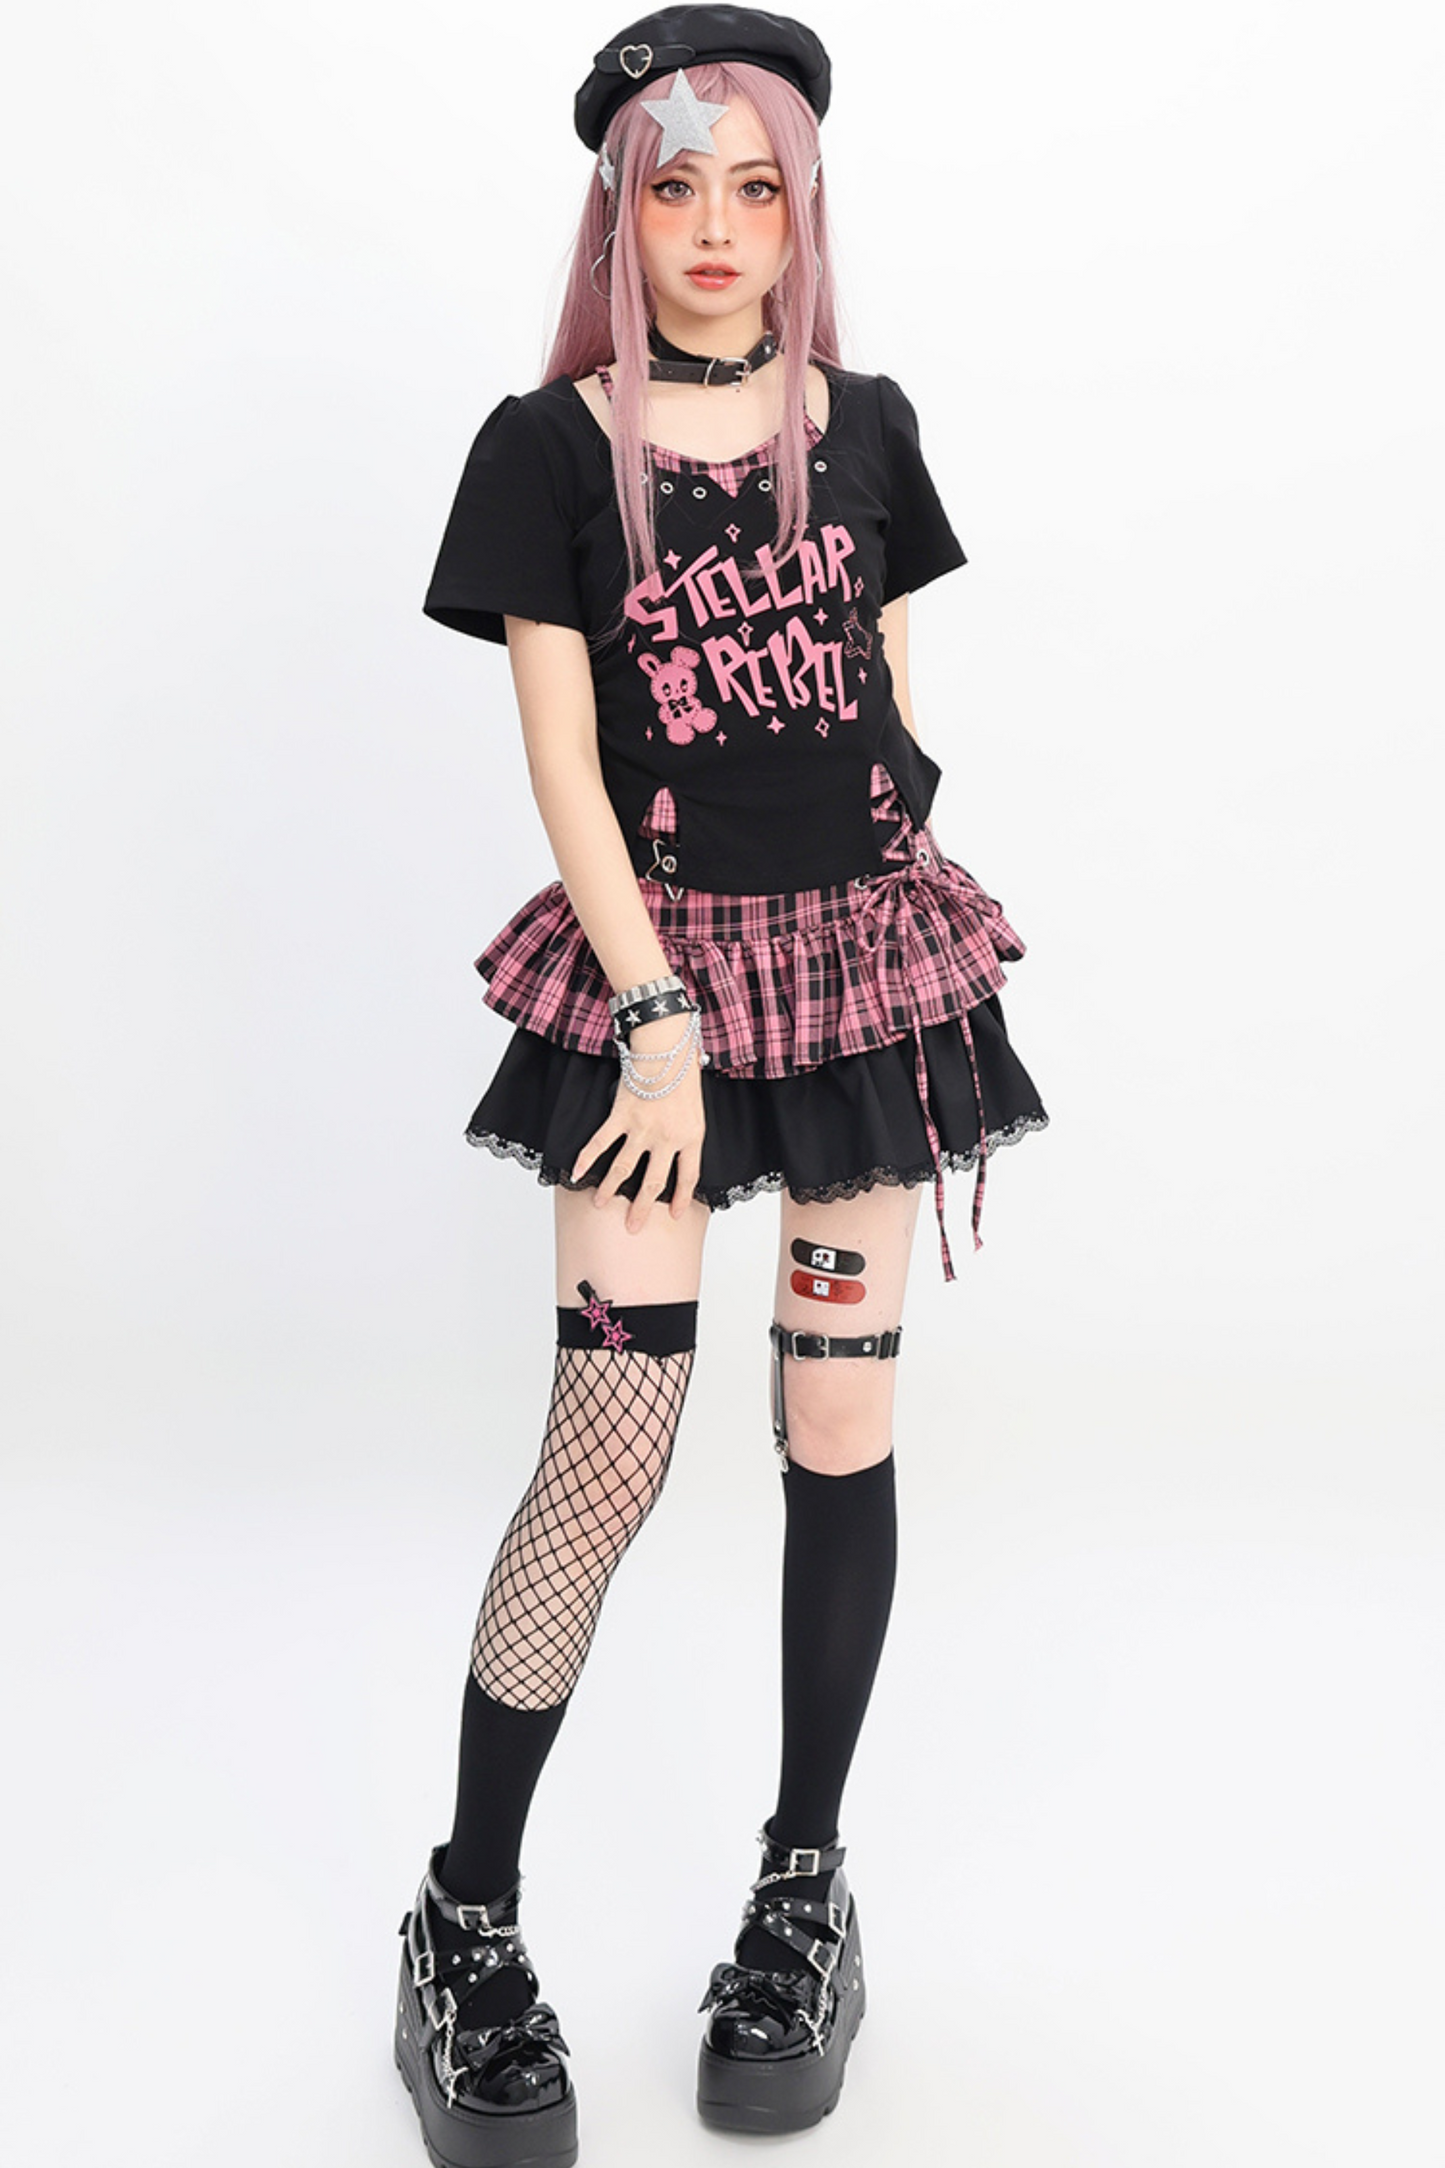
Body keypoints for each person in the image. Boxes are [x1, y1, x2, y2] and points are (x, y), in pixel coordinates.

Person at [392, 9, 1049, 2162]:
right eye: (672, 186)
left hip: (856, 977)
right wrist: (658, 1015)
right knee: (606, 1447)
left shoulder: (865, 427)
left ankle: (800, 1885)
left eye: (752, 188)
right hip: (651, 998)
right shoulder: (543, 446)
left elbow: (887, 699)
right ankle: (464, 1914)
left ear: (800, 212)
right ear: (619, 209)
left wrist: (895, 893)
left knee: (836, 1426)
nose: (712, 227)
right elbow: (564, 770)